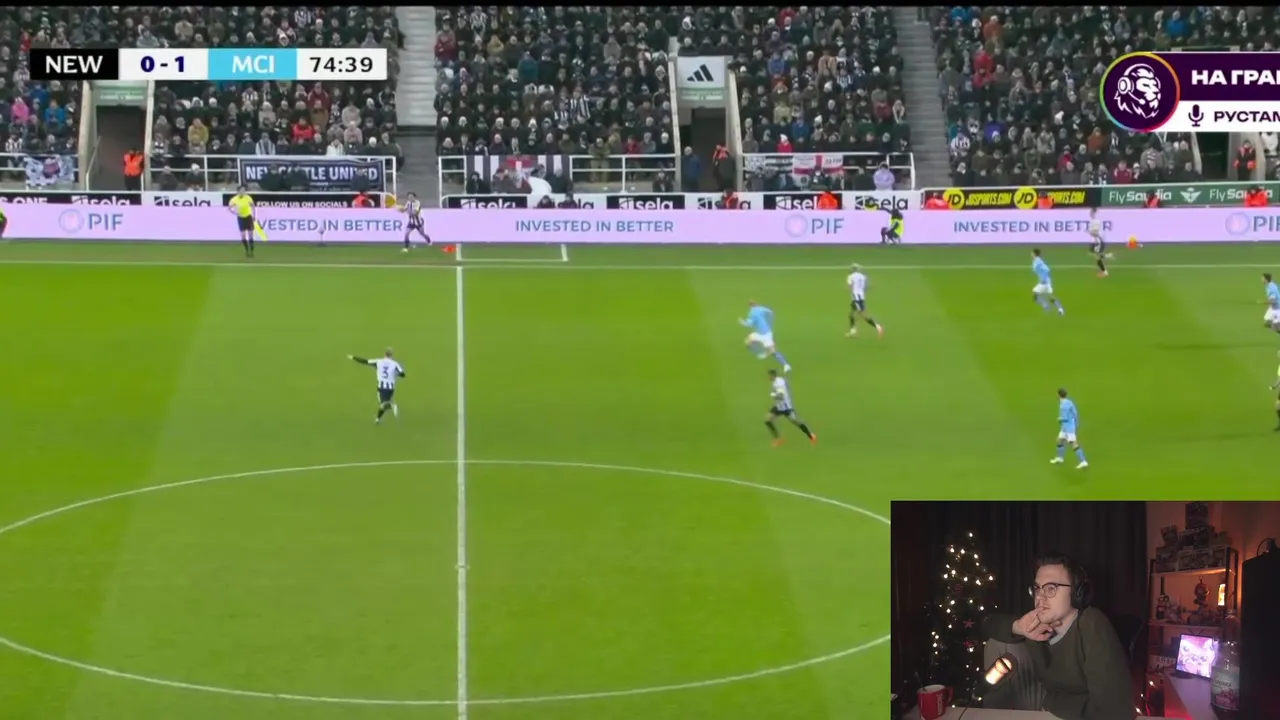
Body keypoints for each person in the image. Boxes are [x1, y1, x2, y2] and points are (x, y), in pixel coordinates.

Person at [980, 554, 1133, 720]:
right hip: (1045, 701)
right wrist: (1019, 627)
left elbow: (1116, 711)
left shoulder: (1092, 623)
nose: (1040, 597)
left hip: (1076, 711)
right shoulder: (1035, 622)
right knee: (997, 643)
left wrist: (1052, 702)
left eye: (1051, 588)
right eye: (1037, 588)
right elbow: (986, 625)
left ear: (1076, 593)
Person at [348, 348, 405, 424]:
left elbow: (365, 361)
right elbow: (402, 374)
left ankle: (392, 405)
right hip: (391, 388)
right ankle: (377, 419)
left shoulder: (378, 361)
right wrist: (395, 374)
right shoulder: (395, 364)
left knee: (383, 404)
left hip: (382, 387)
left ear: (384, 354)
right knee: (384, 404)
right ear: (391, 355)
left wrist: (353, 357)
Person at [764, 369, 816, 446]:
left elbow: (781, 396)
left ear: (772, 375)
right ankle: (778, 439)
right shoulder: (778, 380)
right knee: (767, 420)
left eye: (769, 376)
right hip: (779, 406)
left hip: (786, 408)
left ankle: (811, 436)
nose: (768, 377)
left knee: (796, 422)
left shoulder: (779, 384)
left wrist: (773, 395)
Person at [740, 300, 792, 372]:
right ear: (756, 304)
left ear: (750, 306)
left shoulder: (751, 313)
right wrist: (770, 321)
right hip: (767, 333)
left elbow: (749, 324)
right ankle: (786, 365)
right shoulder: (761, 308)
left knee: (747, 342)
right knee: (773, 352)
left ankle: (760, 352)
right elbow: (771, 312)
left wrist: (742, 322)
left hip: (762, 335)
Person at [1051, 388, 1088, 469]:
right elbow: (1075, 413)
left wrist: (1059, 419)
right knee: (1059, 440)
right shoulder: (1069, 402)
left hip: (1068, 428)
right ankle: (1060, 458)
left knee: (1074, 444)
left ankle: (1083, 461)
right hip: (1067, 427)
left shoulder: (1063, 406)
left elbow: (1066, 418)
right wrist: (1077, 423)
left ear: (1059, 395)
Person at [846, 263, 884, 337]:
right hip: (861, 297)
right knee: (852, 315)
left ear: (853, 269)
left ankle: (878, 327)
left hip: (856, 298)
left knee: (863, 316)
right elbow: (867, 287)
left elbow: (850, 287)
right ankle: (853, 332)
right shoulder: (863, 276)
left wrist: (853, 291)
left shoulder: (850, 276)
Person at [1032, 249, 1066, 316]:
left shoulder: (1038, 261)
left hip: (1044, 282)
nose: (1031, 254)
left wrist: (1043, 278)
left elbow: (1047, 269)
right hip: (1047, 281)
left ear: (1035, 254)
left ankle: (1045, 305)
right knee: (1050, 297)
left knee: (1035, 296)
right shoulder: (1037, 261)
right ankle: (1060, 309)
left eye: (1032, 253)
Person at [227, 185, 257, 257]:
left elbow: (252, 206)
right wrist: (235, 212)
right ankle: (247, 250)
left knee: (250, 235)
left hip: (248, 217)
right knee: (243, 236)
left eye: (244, 191)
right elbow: (229, 208)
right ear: (238, 191)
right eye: (242, 191)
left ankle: (251, 250)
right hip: (241, 218)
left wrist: (254, 215)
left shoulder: (247, 197)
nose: (243, 192)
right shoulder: (234, 199)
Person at [1087, 208, 1112, 278]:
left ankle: (1105, 272)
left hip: (1099, 240)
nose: (1090, 214)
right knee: (1092, 253)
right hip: (1097, 240)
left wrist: (1090, 232)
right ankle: (1106, 256)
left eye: (1091, 212)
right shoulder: (1093, 221)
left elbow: (1095, 232)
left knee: (1096, 256)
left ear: (1094, 213)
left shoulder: (1096, 221)